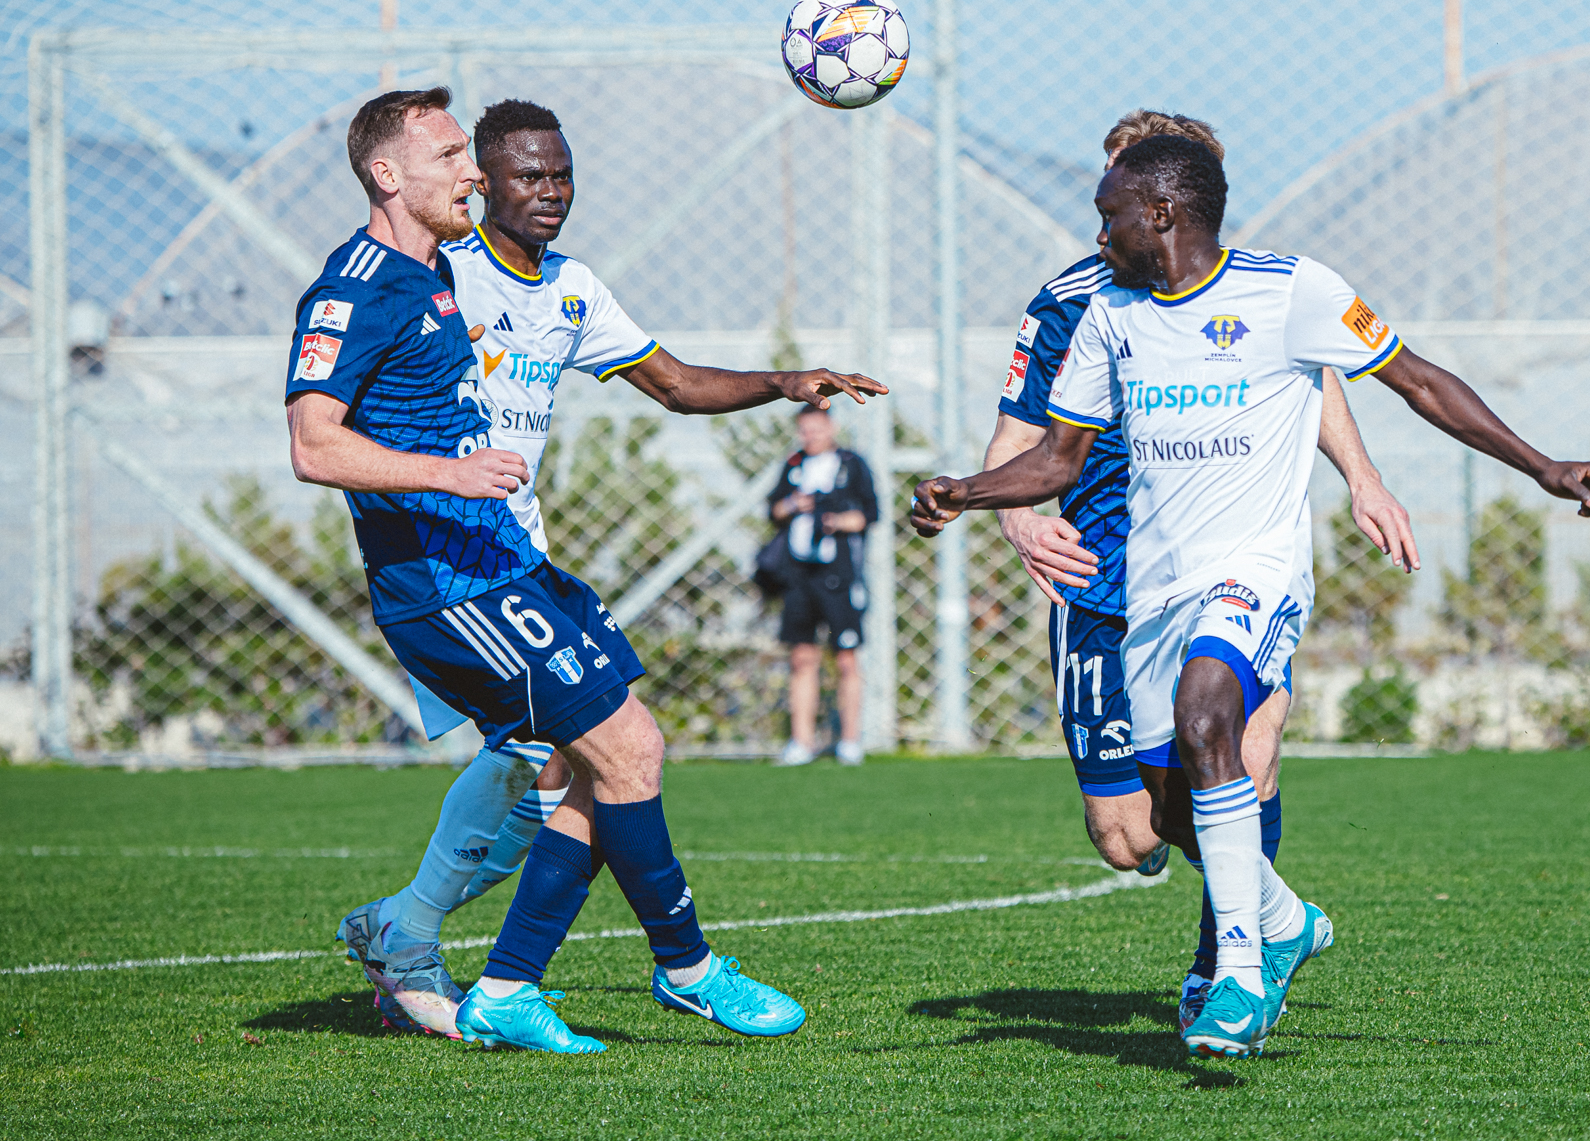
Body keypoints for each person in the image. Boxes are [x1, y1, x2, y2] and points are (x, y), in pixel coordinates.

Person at [912, 133, 1590, 1059]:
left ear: (1162, 212)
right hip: (1151, 593)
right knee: (1166, 817)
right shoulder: (1106, 317)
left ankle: (1238, 975)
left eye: (1109, 214)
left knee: (1210, 717)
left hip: (1255, 571)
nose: (1099, 232)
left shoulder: (1292, 290)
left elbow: (1420, 382)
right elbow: (1055, 460)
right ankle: (1284, 921)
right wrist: (966, 492)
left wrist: (1542, 465)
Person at [288, 87, 886, 1054]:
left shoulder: (540, 284)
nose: (538, 189)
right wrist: (450, 475)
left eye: (560, 174)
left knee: (588, 764)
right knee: (612, 752)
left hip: (514, 558)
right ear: (409, 175)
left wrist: (783, 382)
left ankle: (475, 965)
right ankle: (675, 967)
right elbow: (316, 439)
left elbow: (675, 383)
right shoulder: (416, 273)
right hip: (452, 576)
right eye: (494, 168)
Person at [987, 110, 1418, 1034]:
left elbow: (1314, 377)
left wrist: (1364, 477)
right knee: (1131, 834)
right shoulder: (1072, 305)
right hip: (1105, 575)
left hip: (1236, 560)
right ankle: (1277, 918)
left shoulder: (1257, 291)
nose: (1108, 215)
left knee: (1234, 744)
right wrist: (1017, 517)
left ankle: (1229, 967)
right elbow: (1023, 435)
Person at [767, 405, 879, 766]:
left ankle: (850, 741)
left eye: (817, 428)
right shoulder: (793, 464)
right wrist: (793, 504)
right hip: (799, 575)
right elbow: (773, 510)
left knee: (846, 657)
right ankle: (801, 742)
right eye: (805, 429)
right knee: (802, 656)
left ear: (831, 427)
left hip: (838, 576)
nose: (811, 435)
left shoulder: (851, 464)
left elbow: (870, 513)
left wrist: (836, 521)